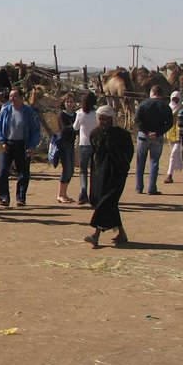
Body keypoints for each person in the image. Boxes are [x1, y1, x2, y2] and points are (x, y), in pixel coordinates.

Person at [84, 105, 135, 249]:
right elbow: (94, 155)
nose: (104, 121)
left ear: (112, 119)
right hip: (101, 175)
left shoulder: (122, 135)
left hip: (117, 175)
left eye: (107, 119)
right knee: (108, 203)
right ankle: (122, 233)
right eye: (101, 119)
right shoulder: (94, 134)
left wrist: (122, 166)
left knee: (106, 203)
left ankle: (96, 235)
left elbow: (129, 152)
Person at [0, 87, 41, 208]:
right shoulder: (5, 111)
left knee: (23, 172)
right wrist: (2, 141)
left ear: (21, 98)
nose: (12, 98)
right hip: (7, 144)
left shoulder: (29, 112)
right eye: (10, 96)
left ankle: (21, 197)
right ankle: (4, 197)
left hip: (23, 145)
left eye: (15, 96)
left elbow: (36, 130)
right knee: (3, 171)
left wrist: (32, 146)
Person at [134, 85, 174, 195]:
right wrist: (158, 133)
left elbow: (136, 120)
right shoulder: (166, 107)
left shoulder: (143, 104)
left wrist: (146, 132)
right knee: (154, 162)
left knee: (140, 161)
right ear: (160, 94)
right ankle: (151, 188)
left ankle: (139, 187)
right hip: (158, 137)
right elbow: (170, 123)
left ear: (152, 92)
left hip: (143, 136)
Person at [73, 91, 98, 205]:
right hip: (95, 144)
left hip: (84, 144)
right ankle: (94, 195)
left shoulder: (80, 113)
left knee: (83, 170)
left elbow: (75, 127)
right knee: (94, 170)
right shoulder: (96, 114)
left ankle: (83, 192)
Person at [56, 93, 77, 203]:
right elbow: (64, 129)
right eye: (67, 101)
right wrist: (74, 126)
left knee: (71, 170)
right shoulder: (61, 114)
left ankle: (65, 193)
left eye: (71, 102)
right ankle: (60, 194)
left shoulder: (75, 114)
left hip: (72, 143)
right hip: (63, 144)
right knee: (66, 168)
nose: (69, 104)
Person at [163, 91, 183, 185]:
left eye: (177, 99)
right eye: (173, 98)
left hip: (180, 134)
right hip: (171, 133)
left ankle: (169, 175)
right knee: (174, 154)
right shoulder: (168, 108)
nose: (175, 100)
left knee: (174, 154)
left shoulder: (182, 108)